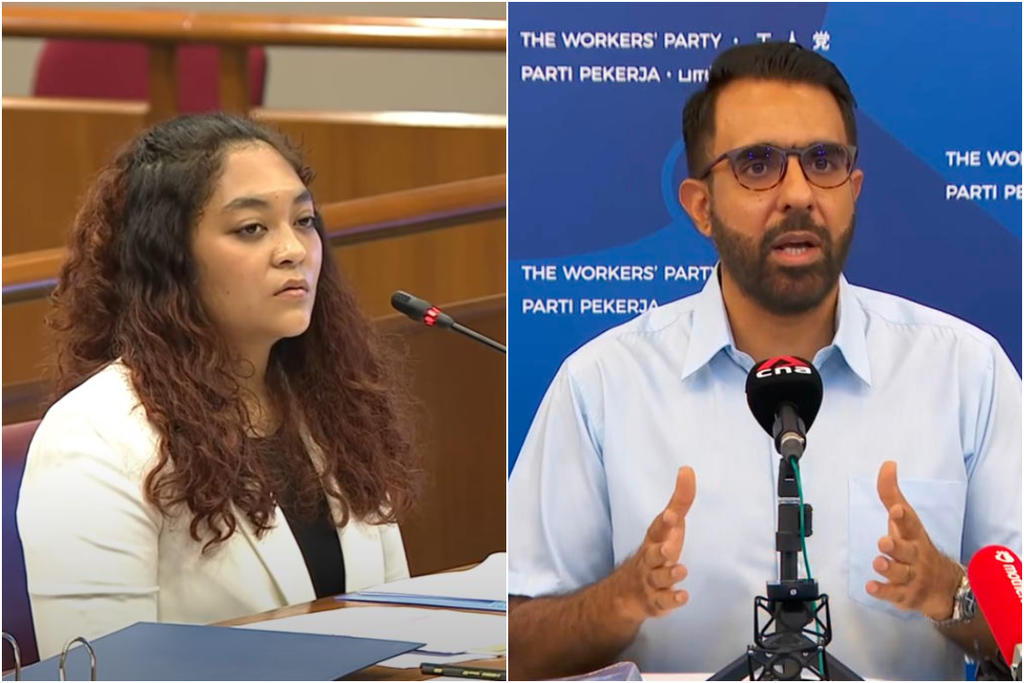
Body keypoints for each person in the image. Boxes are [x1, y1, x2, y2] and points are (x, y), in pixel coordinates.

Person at [508, 42, 1021, 680]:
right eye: (758, 164)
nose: (799, 194)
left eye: (823, 161)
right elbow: (517, 645)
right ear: (699, 207)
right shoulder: (605, 384)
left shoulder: (966, 372)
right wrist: (619, 602)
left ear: (853, 190)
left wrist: (947, 590)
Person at [17, 113, 421, 659]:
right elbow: (104, 671)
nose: (293, 250)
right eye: (251, 228)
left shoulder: (335, 404)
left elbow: (402, 623)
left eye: (303, 221)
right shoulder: (93, 440)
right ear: (171, 259)